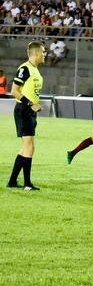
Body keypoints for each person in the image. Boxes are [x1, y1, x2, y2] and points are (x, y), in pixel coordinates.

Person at [8, 41, 46, 190]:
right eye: (43, 52)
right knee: (30, 147)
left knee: (26, 147)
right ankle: (27, 184)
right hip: (23, 110)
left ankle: (12, 181)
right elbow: (15, 91)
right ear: (36, 53)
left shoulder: (35, 70)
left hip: (30, 112)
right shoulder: (25, 68)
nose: (45, 54)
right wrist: (31, 104)